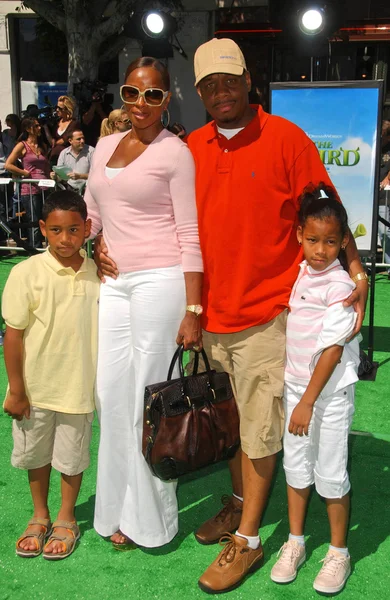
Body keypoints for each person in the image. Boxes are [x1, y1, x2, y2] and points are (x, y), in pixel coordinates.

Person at [94, 39, 368, 591]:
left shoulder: (286, 139)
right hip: (205, 316)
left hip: (268, 318)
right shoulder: (188, 146)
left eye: (230, 81)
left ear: (248, 81)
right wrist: (99, 241)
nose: (221, 92)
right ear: (196, 94)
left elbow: (326, 208)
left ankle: (247, 539)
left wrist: (358, 272)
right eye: (209, 85)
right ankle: (242, 501)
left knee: (260, 433)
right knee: (228, 424)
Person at [84, 56, 203, 550]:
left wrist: (193, 310)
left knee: (147, 401)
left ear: (166, 98)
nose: (140, 103)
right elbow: (93, 211)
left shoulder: (176, 152)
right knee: (110, 395)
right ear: (122, 93)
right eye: (132, 93)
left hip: (160, 281)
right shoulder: (105, 145)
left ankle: (150, 521)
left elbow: (189, 232)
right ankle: (113, 507)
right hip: (114, 284)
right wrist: (93, 243)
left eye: (152, 95)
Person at [270, 184, 359, 594]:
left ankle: (339, 551)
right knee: (296, 467)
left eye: (329, 242)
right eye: (311, 240)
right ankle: (296, 541)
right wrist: (298, 396)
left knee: (331, 472)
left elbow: (332, 352)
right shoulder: (304, 270)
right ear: (299, 236)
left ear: (343, 242)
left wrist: (307, 401)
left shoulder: (340, 288)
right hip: (297, 390)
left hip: (327, 397)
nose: (319, 250)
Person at [2, 190, 100, 560]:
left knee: (72, 458)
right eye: (56, 230)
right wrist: (16, 389)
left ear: (87, 228)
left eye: (74, 230)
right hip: (35, 389)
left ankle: (66, 517)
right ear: (42, 229)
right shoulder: (25, 273)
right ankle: (40, 514)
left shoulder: (98, 272)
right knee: (36, 456)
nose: (65, 239)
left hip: (78, 390)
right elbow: (13, 334)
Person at [5, 117, 51, 247]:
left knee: (46, 219)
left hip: (45, 188)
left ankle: (46, 248)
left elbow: (46, 166)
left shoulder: (43, 146)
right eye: (36, 126)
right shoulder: (22, 145)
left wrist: (51, 177)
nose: (39, 128)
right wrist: (23, 172)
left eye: (39, 125)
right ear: (27, 129)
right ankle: (34, 250)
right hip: (29, 189)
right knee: (34, 221)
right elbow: (8, 164)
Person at [46, 96, 81, 165]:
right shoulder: (56, 123)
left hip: (68, 159)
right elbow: (51, 142)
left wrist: (55, 142)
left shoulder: (74, 124)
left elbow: (64, 140)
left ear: (67, 109)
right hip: (54, 158)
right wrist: (45, 127)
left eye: (60, 108)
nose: (57, 110)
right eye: (56, 107)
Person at [379, 120, 390, 276]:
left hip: (385, 195)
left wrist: (388, 177)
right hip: (370, 195)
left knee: (384, 231)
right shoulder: (372, 145)